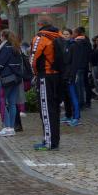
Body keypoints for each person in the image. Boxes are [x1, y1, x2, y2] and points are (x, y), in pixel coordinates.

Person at [30, 15, 62, 151]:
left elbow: (33, 59)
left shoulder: (40, 38)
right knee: (54, 109)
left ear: (39, 24)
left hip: (45, 76)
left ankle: (49, 142)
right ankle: (54, 140)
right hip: (58, 76)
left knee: (46, 110)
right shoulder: (59, 36)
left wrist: (35, 73)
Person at [0, 29, 23, 136]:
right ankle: (12, 128)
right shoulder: (17, 48)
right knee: (12, 103)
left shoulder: (5, 48)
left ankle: (7, 127)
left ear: (3, 37)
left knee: (0, 101)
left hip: (6, 78)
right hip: (16, 78)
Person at [60, 28, 80, 126]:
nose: (65, 36)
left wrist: (72, 75)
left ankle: (76, 117)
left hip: (70, 75)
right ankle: (68, 115)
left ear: (71, 35)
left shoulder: (74, 45)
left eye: (67, 34)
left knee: (73, 96)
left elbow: (74, 62)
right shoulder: (64, 45)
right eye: (64, 34)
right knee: (66, 97)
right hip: (64, 74)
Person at [72, 26, 92, 110]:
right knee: (83, 84)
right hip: (84, 66)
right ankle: (84, 102)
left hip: (78, 66)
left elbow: (77, 56)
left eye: (73, 32)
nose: (72, 34)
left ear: (77, 33)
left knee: (79, 85)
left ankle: (80, 103)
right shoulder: (86, 41)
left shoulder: (78, 42)